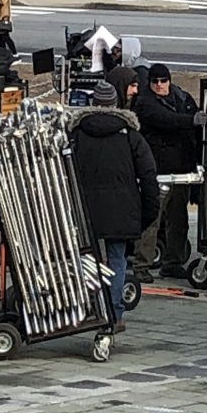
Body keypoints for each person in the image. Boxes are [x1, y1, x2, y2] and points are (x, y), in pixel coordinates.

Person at [68, 81, 160, 332]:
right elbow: (148, 175)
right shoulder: (130, 135)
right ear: (115, 103)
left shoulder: (76, 134)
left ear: (94, 103)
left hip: (84, 210)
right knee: (117, 260)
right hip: (121, 209)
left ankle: (88, 310)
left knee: (86, 260)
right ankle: (114, 314)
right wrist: (148, 212)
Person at [134, 64, 201, 281]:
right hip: (158, 173)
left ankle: (173, 262)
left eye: (163, 81)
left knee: (178, 220)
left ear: (169, 81)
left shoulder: (182, 97)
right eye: (155, 81)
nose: (159, 85)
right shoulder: (144, 103)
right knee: (152, 220)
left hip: (181, 171)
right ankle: (141, 265)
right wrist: (191, 121)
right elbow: (164, 119)